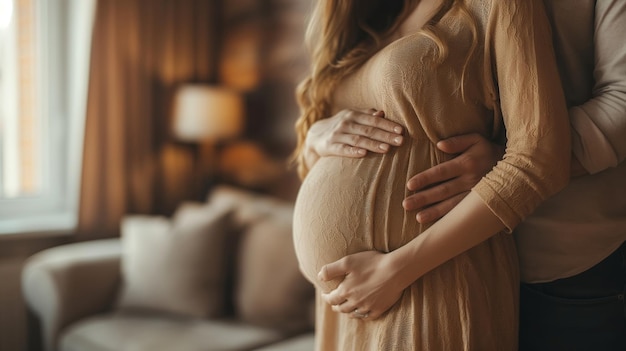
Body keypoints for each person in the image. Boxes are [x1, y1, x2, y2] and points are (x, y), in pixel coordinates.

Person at [311, 1, 626, 350]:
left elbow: (613, 111)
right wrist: (316, 136)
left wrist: (503, 156)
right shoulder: (371, 12)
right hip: (363, 290)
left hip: (557, 256)